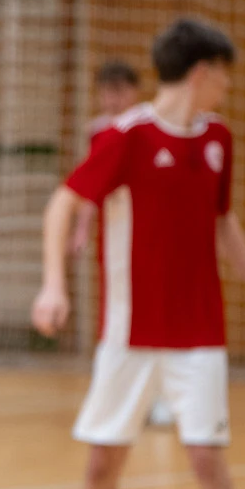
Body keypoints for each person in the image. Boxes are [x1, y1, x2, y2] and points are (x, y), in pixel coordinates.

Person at [27, 18, 245, 489]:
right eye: (223, 74)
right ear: (201, 73)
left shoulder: (218, 139)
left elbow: (222, 220)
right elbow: (63, 203)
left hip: (198, 334)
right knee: (102, 463)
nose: (227, 87)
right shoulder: (127, 137)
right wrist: (53, 284)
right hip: (129, 335)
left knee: (205, 458)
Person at [69, 59, 176, 429]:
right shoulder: (99, 132)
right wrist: (82, 229)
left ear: (134, 91)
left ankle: (162, 398)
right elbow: (89, 189)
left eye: (119, 91)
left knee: (158, 313)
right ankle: (122, 398)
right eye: (106, 92)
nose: (113, 99)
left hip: (154, 235)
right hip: (117, 238)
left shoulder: (151, 127)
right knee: (119, 319)